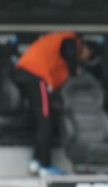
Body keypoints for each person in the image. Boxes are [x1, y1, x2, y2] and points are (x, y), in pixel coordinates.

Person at [13, 31, 94, 175]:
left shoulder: (61, 67)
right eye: (88, 53)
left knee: (44, 118)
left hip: (30, 74)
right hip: (34, 73)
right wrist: (75, 66)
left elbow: (53, 88)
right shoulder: (72, 39)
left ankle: (36, 161)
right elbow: (68, 50)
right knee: (45, 119)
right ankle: (44, 164)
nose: (86, 57)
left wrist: (55, 101)